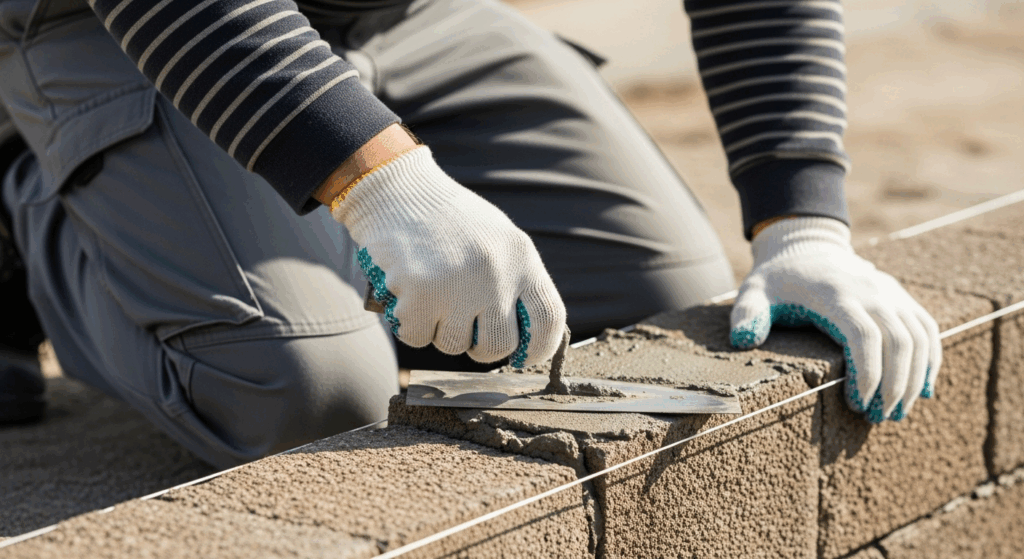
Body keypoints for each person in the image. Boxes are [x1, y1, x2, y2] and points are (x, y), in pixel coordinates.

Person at [0, 0, 941, 468]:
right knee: (308, 390)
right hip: (122, 22)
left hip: (401, 16)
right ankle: (31, 201)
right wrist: (379, 181)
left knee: (659, 308)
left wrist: (801, 223)